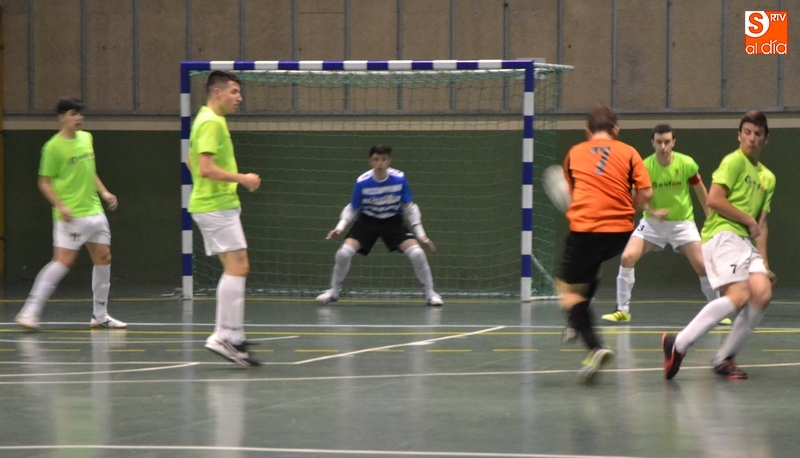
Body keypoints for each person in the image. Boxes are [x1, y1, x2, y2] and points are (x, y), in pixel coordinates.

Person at [663, 111, 776, 380]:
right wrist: (747, 220)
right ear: (739, 136)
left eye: (757, 134)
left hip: (745, 242)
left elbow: (760, 226)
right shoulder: (733, 161)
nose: (752, 138)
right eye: (747, 133)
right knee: (739, 294)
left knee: (762, 293)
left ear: (765, 139)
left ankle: (724, 357)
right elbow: (714, 199)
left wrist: (764, 261)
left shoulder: (768, 178)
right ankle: (678, 344)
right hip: (722, 235)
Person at [557, 105, 652, 382]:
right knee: (593, 267)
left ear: (588, 131)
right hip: (621, 233)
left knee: (568, 290)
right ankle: (576, 321)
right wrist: (629, 205)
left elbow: (574, 194)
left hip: (586, 229)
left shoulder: (574, 153)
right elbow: (646, 193)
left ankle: (594, 345)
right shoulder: (630, 152)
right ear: (615, 130)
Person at [602, 124, 731, 325]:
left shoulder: (687, 163)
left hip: (683, 224)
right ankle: (622, 310)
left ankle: (717, 312)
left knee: (702, 265)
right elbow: (636, 197)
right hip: (652, 224)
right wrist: (653, 212)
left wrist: (710, 217)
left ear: (673, 142)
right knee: (627, 257)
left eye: (667, 142)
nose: (663, 146)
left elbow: (700, 191)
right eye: (659, 142)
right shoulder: (644, 166)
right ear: (652, 143)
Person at [15, 98, 126, 331]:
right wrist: (60, 205)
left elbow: (90, 171)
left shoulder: (86, 138)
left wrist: (105, 192)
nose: (78, 118)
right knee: (63, 262)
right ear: (61, 118)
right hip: (71, 216)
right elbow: (44, 182)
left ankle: (100, 315)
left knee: (104, 258)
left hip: (95, 212)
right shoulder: (52, 147)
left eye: (80, 114)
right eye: (73, 114)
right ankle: (30, 312)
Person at [187, 70, 262, 366]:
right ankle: (224, 335)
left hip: (215, 203)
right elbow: (205, 168)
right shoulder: (211, 122)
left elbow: (191, 161)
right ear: (216, 92)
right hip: (215, 205)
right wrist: (242, 178)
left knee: (235, 267)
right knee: (238, 266)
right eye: (234, 91)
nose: (239, 97)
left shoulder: (206, 119)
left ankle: (233, 336)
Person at [316, 145, 443, 307]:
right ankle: (334, 292)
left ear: (389, 161)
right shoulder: (363, 182)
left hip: (393, 222)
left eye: (384, 159)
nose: (380, 163)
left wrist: (421, 234)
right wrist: (340, 227)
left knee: (417, 253)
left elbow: (409, 207)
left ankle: (431, 294)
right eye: (376, 159)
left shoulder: (399, 179)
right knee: (343, 253)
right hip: (367, 221)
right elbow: (352, 208)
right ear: (371, 162)